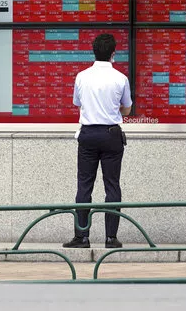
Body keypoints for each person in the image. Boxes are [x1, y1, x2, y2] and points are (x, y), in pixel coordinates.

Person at [63, 33, 132, 249]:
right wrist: (114, 109)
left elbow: (78, 102)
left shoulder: (82, 76)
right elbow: (127, 108)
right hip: (111, 135)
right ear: (113, 53)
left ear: (93, 51)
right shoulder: (121, 78)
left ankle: (81, 236)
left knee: (84, 185)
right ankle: (111, 238)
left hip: (88, 135)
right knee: (112, 186)